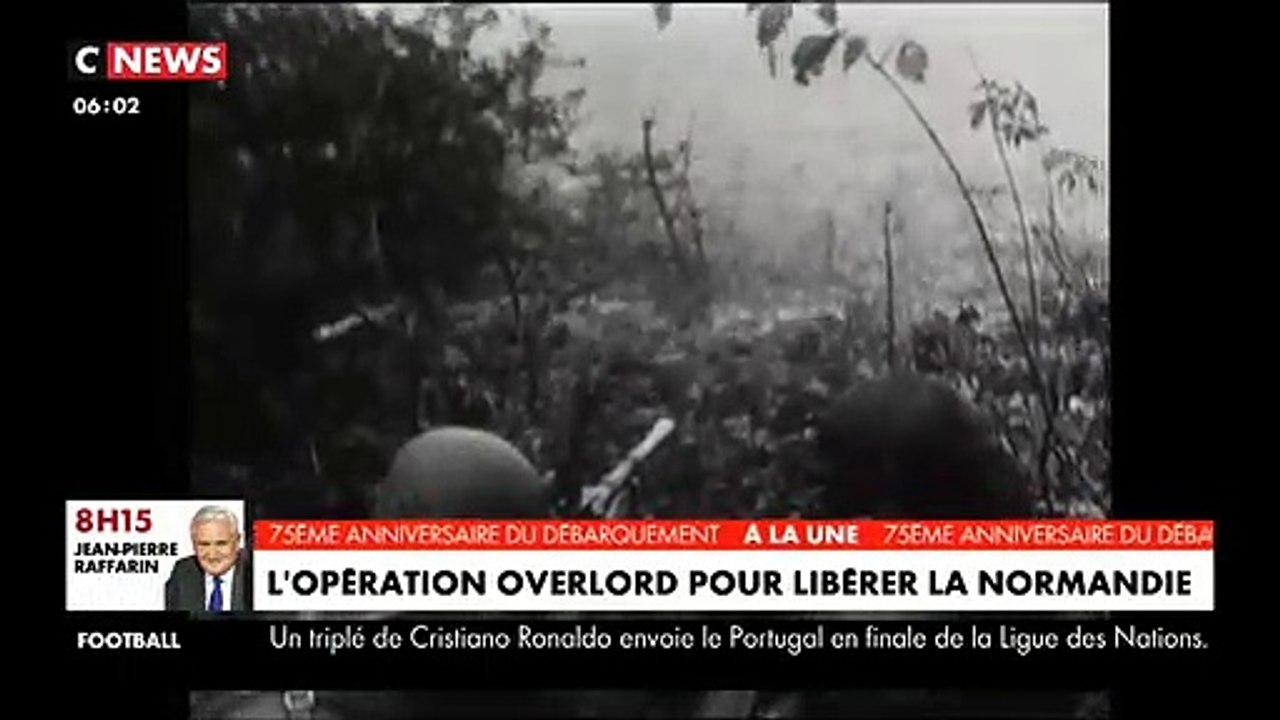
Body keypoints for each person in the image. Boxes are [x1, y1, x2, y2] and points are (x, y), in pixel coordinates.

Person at [165, 505, 251, 613]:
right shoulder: (183, 572)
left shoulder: (255, 574)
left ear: (237, 541)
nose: (212, 555)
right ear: (193, 544)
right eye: (204, 544)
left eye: (221, 544)